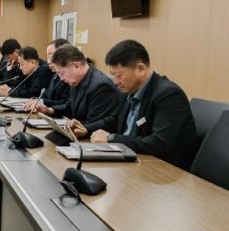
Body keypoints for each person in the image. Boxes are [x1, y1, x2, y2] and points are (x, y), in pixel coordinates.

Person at [70, 40, 198, 170]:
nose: (115, 82)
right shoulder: (128, 90)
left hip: (161, 170)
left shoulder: (169, 95)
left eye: (119, 75)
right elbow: (114, 119)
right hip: (130, 160)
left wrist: (112, 138)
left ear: (140, 69)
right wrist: (86, 129)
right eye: (113, 76)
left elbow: (159, 143)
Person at [35, 44, 119, 134]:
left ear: (76, 66)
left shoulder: (100, 86)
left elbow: (94, 124)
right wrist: (50, 110)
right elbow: (70, 106)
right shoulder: (76, 80)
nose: (61, 79)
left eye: (61, 73)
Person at [24, 38, 70, 111]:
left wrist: (42, 102)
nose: (48, 61)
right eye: (47, 57)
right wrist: (36, 101)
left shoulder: (69, 77)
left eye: (51, 55)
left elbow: (65, 103)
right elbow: (46, 96)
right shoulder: (54, 75)